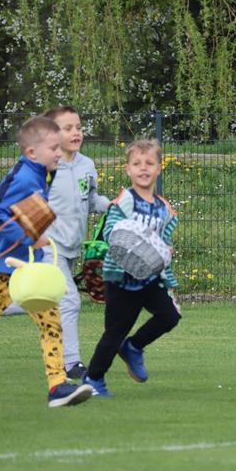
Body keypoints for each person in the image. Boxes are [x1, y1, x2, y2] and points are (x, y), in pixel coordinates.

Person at [0, 115, 93, 408]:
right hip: (3, 269)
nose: (58, 153)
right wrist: (30, 236)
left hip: (29, 268)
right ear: (32, 152)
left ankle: (58, 386)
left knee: (52, 322)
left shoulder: (42, 173)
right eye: (53, 148)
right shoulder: (24, 177)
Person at [82, 139, 181, 397]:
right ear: (128, 169)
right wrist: (132, 241)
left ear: (159, 168)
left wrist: (166, 254)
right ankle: (93, 379)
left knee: (170, 316)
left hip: (149, 278)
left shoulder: (164, 209)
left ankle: (134, 347)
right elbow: (110, 230)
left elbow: (165, 244)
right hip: (121, 278)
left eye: (149, 163)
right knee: (115, 332)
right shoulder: (124, 201)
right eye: (137, 163)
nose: (143, 168)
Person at [40, 105, 110, 380]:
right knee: (69, 301)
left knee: (44, 300)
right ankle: (71, 363)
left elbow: (90, 200)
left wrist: (112, 205)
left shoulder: (86, 165)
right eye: (67, 128)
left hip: (70, 248)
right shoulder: (44, 167)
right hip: (48, 246)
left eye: (78, 127)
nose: (75, 132)